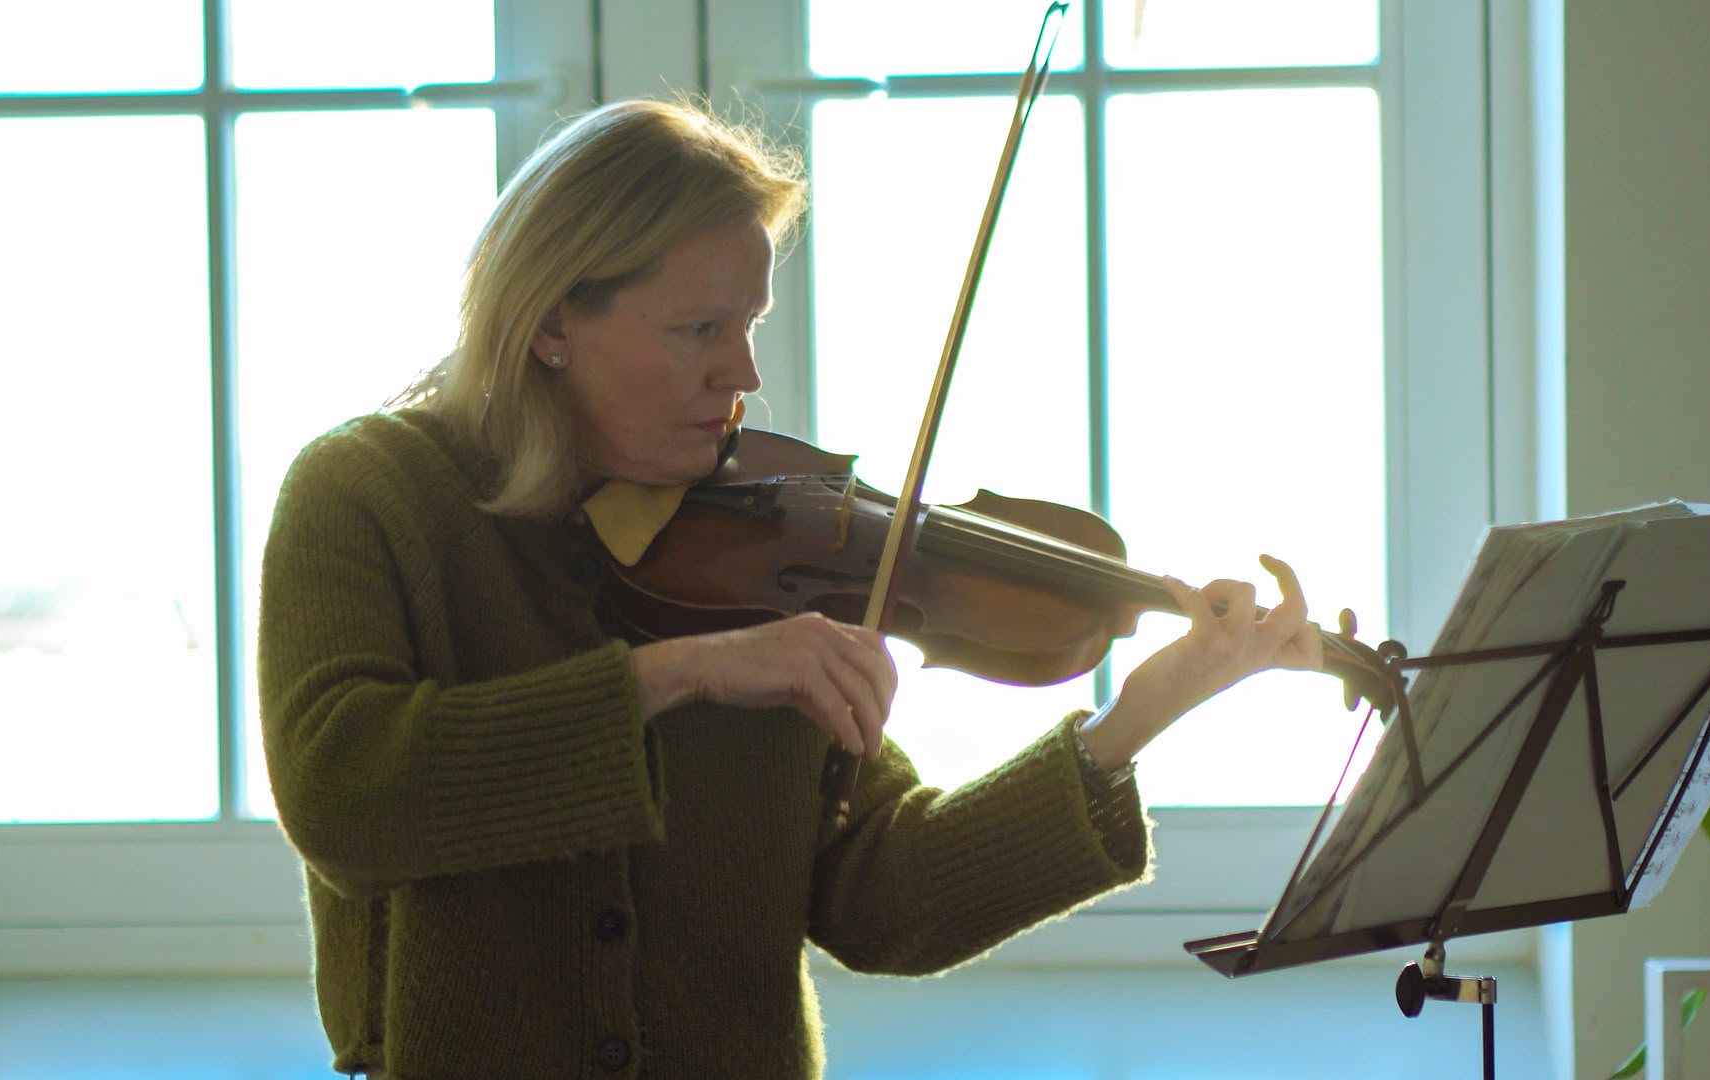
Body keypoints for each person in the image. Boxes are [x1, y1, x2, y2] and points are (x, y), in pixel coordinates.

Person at [258, 98, 1322, 1080]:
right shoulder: (369, 495)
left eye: (750, 324)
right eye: (697, 330)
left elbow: (887, 899)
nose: (742, 375)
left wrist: (1135, 719)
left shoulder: (767, 543)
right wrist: (676, 677)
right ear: (550, 323)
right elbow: (343, 797)